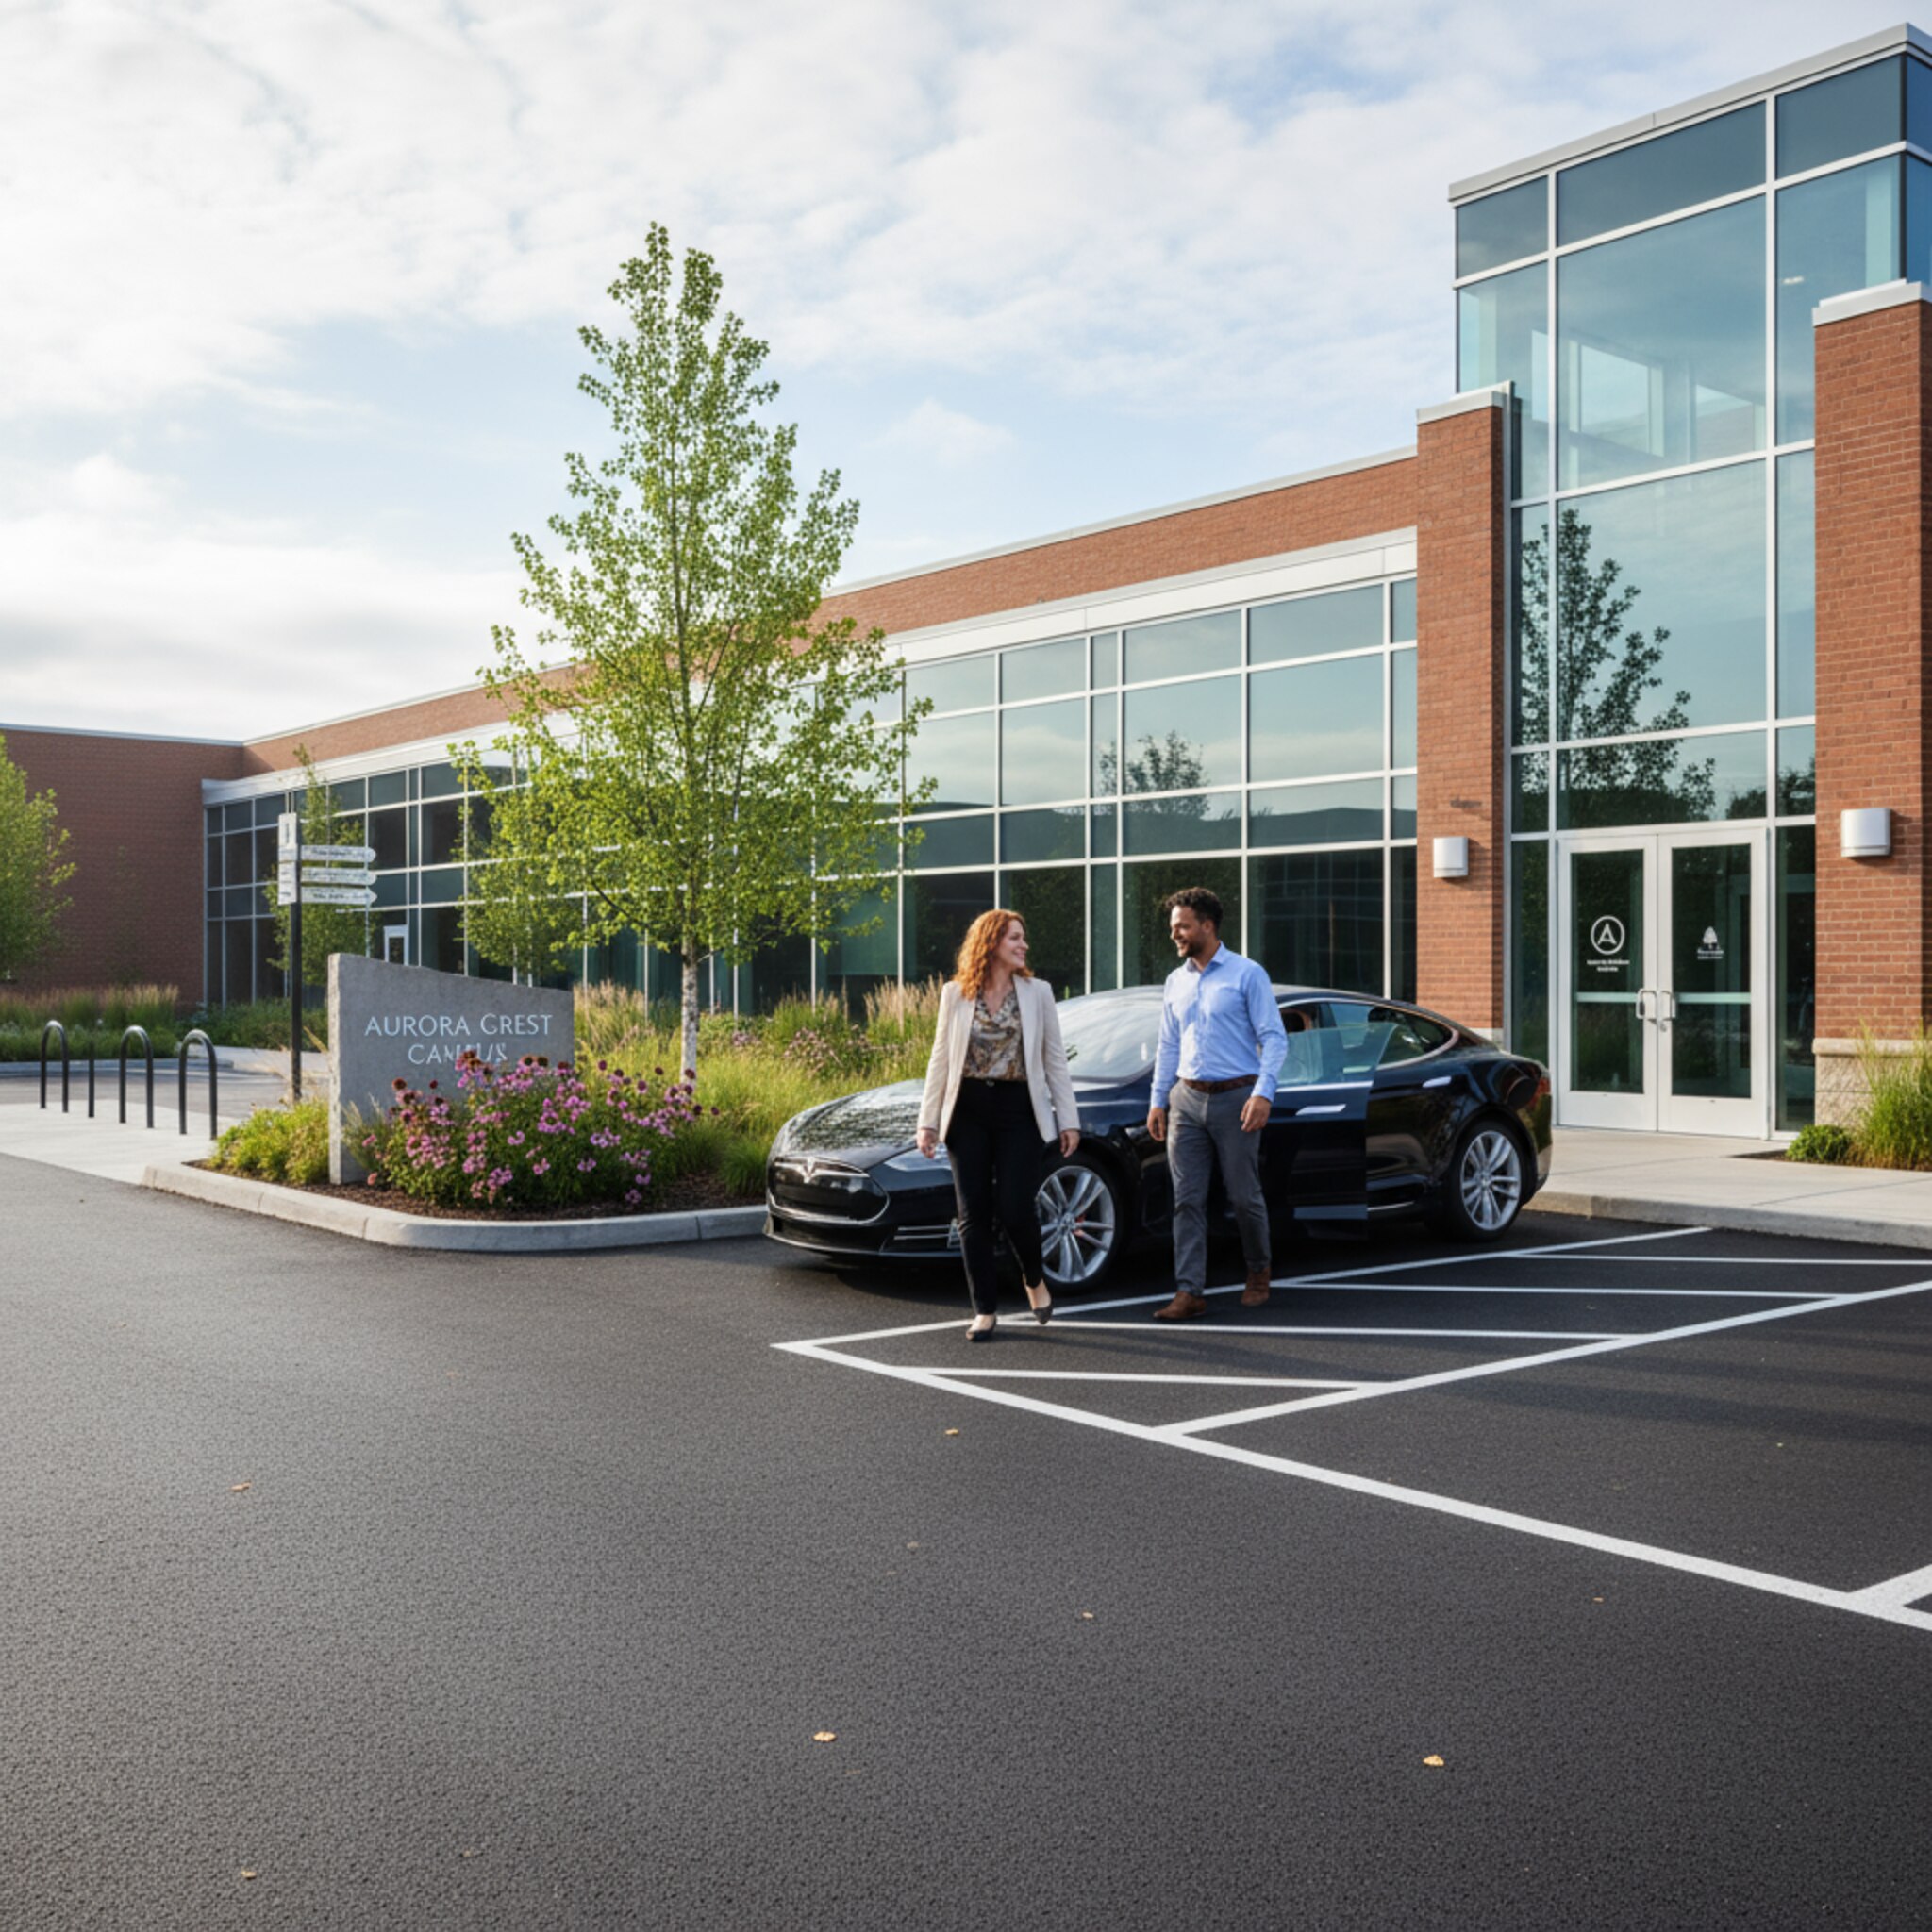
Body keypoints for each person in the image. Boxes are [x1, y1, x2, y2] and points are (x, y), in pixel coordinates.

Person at [914, 909, 1081, 1341]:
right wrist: (927, 1123)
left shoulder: (1038, 992)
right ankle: (984, 1310)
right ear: (991, 942)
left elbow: (1054, 1061)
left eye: (1023, 938)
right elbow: (940, 1060)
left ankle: (1033, 1277)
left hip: (1017, 1108)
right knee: (973, 1215)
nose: (1023, 945)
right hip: (966, 1109)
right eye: (1015, 938)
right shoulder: (955, 994)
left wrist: (1069, 1120)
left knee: (1014, 1208)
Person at [1145, 886, 1289, 1321]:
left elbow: (1274, 1038)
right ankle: (1189, 1291)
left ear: (1207, 926)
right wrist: (1158, 1100)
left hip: (1237, 1100)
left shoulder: (1248, 975)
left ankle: (1258, 1271)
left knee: (1244, 1196)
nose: (1176, 935)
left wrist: (1264, 1093)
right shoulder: (1176, 981)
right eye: (1173, 927)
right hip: (1186, 1100)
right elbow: (1168, 1045)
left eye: (1183, 926)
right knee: (1186, 1199)